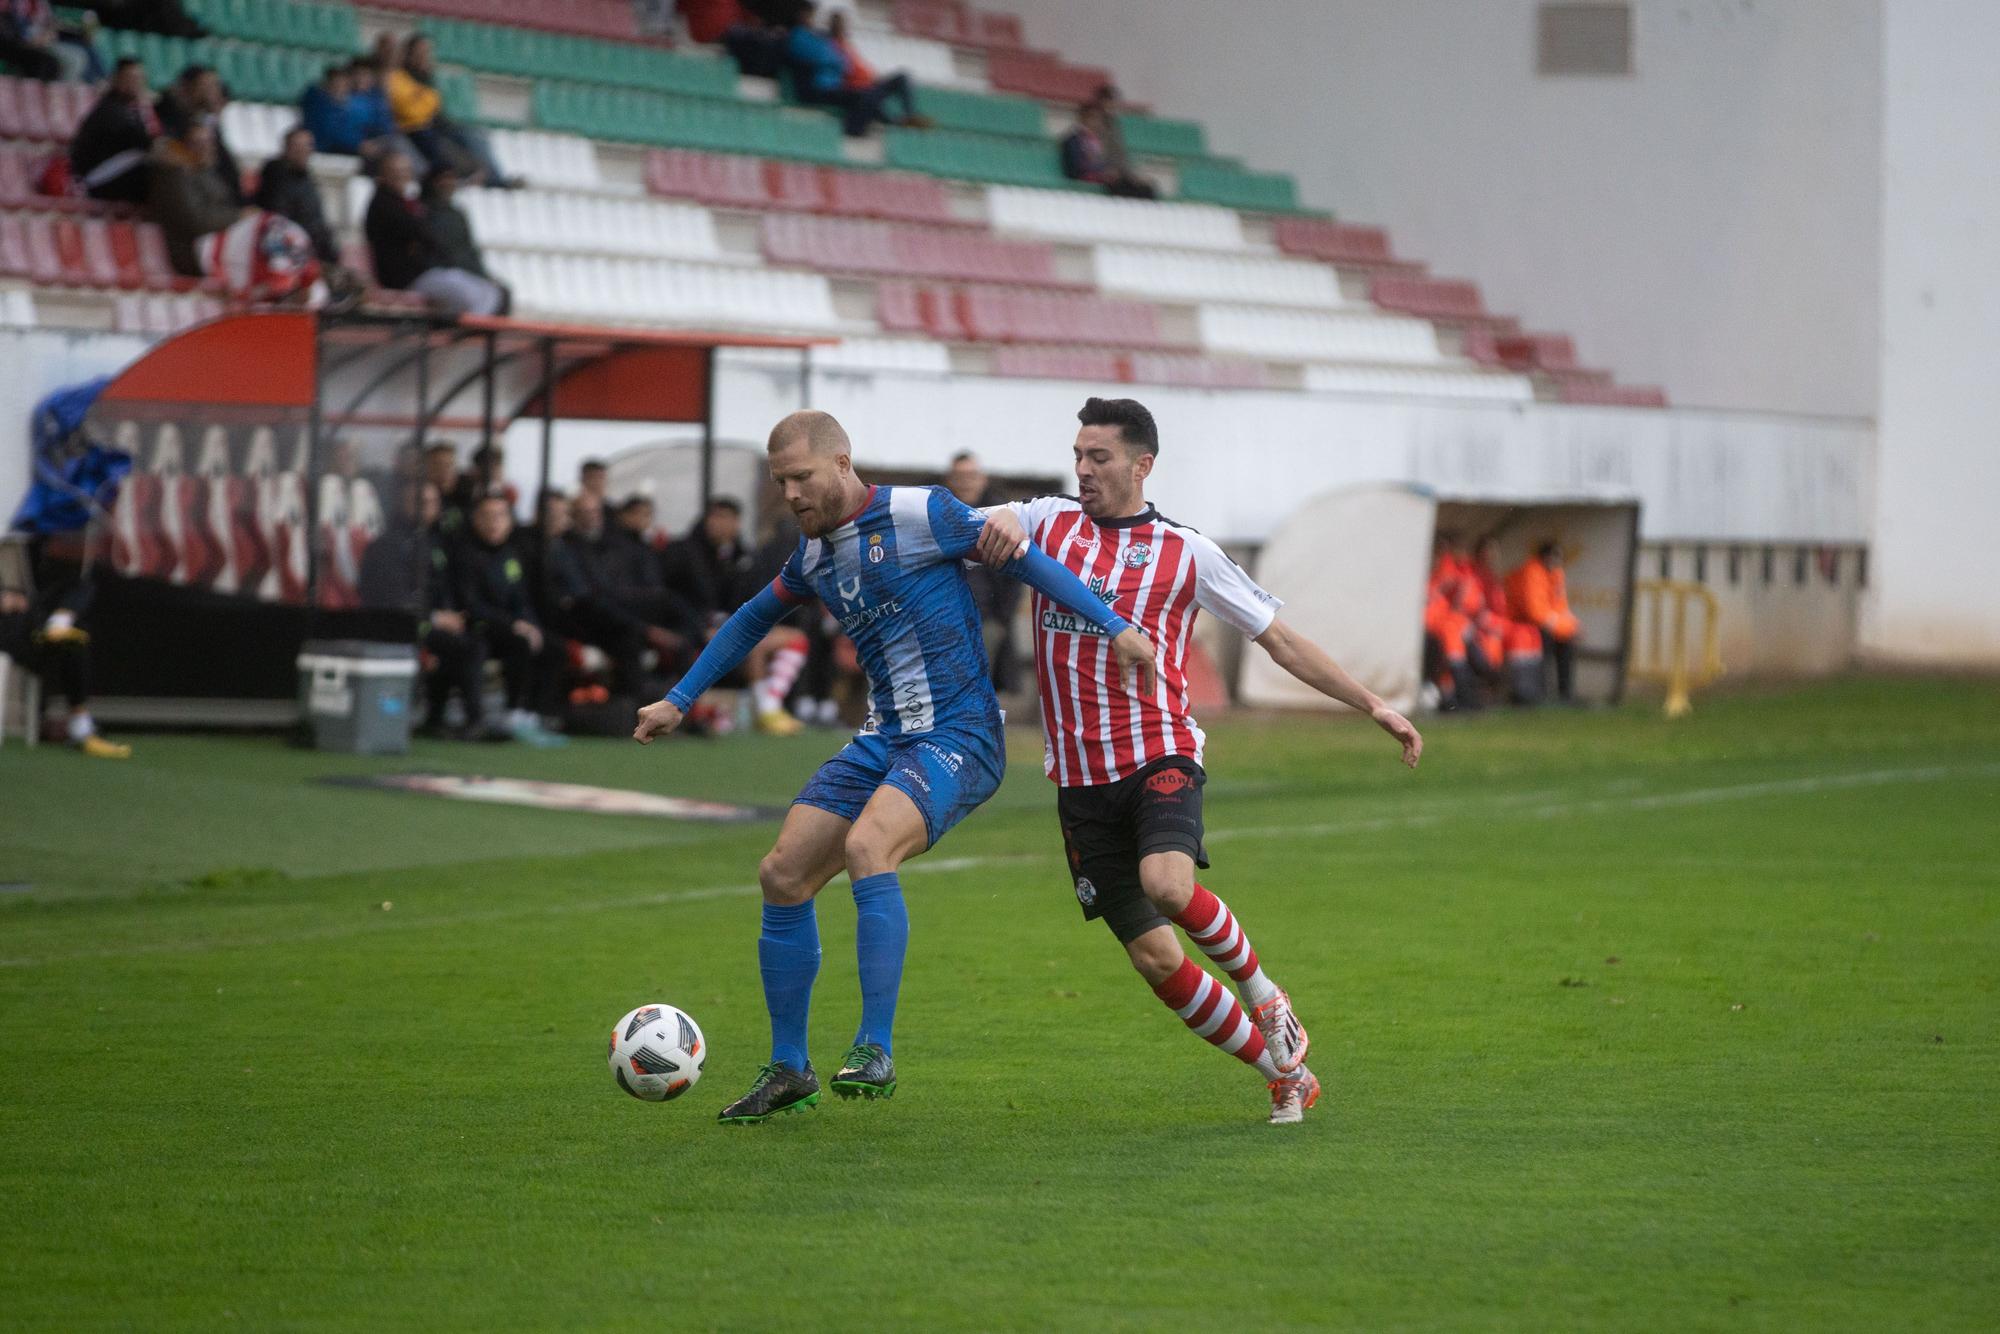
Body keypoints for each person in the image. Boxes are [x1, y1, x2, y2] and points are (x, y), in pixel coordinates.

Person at [632, 409, 1156, 1124]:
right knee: (782, 875)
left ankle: (874, 1047)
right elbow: (753, 618)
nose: (790, 494)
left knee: (867, 845)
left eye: (802, 478)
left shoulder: (923, 513)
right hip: (884, 737)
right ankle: (789, 1069)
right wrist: (680, 698)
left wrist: (1115, 625)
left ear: (842, 463)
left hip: (960, 735)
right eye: (781, 481)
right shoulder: (813, 555)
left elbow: (1027, 561)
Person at [975, 397, 1423, 1125]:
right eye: (1078, 456)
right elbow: (993, 521)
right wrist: (997, 514)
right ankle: (1284, 1071)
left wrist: (1373, 704)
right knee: (1155, 960)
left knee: (1168, 883)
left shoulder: (1188, 553)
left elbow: (1279, 640)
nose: (1084, 470)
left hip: (1161, 753)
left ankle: (1265, 990)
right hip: (1080, 783)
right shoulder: (1047, 523)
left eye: (1101, 458)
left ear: (1142, 465)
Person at [663, 496, 810, 736]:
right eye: (713, 516)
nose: (717, 523)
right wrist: (702, 627)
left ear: (736, 523)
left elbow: (749, 599)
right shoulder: (684, 553)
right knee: (753, 643)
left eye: (724, 517)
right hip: (693, 631)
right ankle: (766, 710)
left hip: (732, 625)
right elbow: (674, 598)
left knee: (794, 638)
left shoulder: (745, 556)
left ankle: (770, 704)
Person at [146, 121, 320, 300]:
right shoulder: (175, 177)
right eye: (198, 143)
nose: (206, 148)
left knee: (279, 238)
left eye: (208, 142)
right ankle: (280, 292)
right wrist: (238, 216)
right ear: (182, 145)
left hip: (222, 241)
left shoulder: (204, 173)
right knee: (269, 243)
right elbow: (195, 220)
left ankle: (295, 286)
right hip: (195, 250)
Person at [0, 537, 130, 758]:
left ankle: (60, 622)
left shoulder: (33, 550)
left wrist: (12, 597)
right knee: (66, 634)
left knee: (75, 626)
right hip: (11, 632)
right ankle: (56, 626)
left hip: (29, 631)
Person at [453, 492, 562, 745]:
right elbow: (470, 604)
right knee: (519, 643)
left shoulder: (511, 555)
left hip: (511, 626)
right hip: (478, 626)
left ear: (510, 521)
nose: (494, 523)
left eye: (500, 516)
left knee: (554, 648)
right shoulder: (465, 555)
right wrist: (516, 625)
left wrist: (531, 625)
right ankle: (512, 713)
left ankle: (537, 714)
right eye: (487, 516)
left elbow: (521, 599)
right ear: (475, 520)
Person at [364, 150, 505, 317]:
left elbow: (426, 239)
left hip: (425, 272)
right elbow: (423, 236)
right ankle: (470, 329)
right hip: (408, 278)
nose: (401, 176)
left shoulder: (406, 204)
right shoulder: (385, 204)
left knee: (489, 291)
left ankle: (473, 329)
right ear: (382, 175)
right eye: (395, 172)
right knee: (472, 294)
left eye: (405, 171)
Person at [385, 35, 514, 189]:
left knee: (473, 135)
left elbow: (435, 110)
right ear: (410, 54)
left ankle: (493, 178)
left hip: (433, 125)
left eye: (427, 52)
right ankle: (459, 178)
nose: (425, 57)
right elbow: (408, 110)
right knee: (437, 144)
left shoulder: (428, 81)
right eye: (421, 52)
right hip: (412, 128)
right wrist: (424, 107)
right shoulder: (398, 78)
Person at [786, 2, 928, 138]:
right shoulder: (804, 37)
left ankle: (905, 118)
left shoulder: (831, 42)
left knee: (891, 84)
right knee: (866, 96)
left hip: (848, 86)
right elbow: (833, 62)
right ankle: (855, 130)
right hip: (826, 88)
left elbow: (846, 65)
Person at [944, 450, 1022, 691]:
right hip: (946, 617)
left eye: (971, 476)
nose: (966, 482)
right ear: (950, 480)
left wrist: (1003, 616)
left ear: (982, 479)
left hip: (988, 617)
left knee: (979, 681)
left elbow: (1016, 569)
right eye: (960, 476)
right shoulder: (941, 516)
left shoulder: (1002, 516)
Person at [69, 57, 160, 205]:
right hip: (95, 182)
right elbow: (143, 141)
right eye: (130, 78)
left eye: (139, 79)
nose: (135, 84)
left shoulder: (131, 110)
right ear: (116, 79)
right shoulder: (109, 110)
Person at [421, 164, 509, 315]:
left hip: (461, 271)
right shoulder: (422, 211)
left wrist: (482, 274)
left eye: (451, 180)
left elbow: (469, 249)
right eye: (443, 180)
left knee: (500, 292)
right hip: (437, 271)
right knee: (473, 293)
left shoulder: (457, 214)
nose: (448, 184)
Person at [1468, 536, 1544, 704]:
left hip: (1498, 621)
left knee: (1529, 633)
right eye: (1489, 551)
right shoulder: (1472, 575)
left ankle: (1526, 689)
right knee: (1495, 641)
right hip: (1481, 624)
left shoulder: (1494, 577)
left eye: (1494, 551)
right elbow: (1474, 608)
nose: (1492, 555)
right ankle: (1512, 690)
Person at [154, 64, 243, 206]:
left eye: (215, 85)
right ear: (187, 87)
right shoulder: (166, 116)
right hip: (189, 205)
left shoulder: (205, 121)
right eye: (208, 85)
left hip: (217, 202)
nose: (214, 91)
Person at [1506, 540, 1581, 703]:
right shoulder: (1531, 572)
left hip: (1545, 623)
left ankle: (1566, 693)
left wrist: (1572, 627)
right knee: (1545, 640)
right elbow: (1534, 611)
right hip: (1522, 621)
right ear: (1545, 557)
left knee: (1567, 641)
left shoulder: (1556, 574)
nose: (1558, 562)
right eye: (1555, 557)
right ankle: (1541, 692)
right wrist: (1562, 627)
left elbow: (1561, 607)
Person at [254, 126, 338, 267]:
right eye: (297, 146)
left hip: (316, 253)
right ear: (286, 148)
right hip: (293, 256)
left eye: (307, 146)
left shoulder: (306, 179)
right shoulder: (276, 177)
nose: (302, 151)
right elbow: (279, 221)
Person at [1061, 91, 1155, 199]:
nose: (1097, 123)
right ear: (1083, 118)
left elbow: (1105, 160)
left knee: (1145, 188)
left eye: (1098, 119)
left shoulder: (1097, 139)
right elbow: (1077, 166)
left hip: (1103, 175)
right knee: (1120, 186)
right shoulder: (1073, 140)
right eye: (1094, 118)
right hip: (1090, 176)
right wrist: (1101, 172)